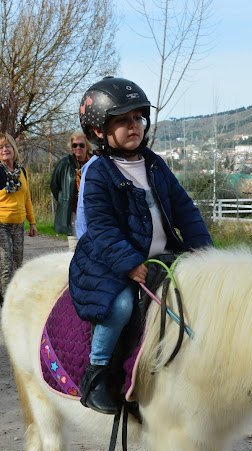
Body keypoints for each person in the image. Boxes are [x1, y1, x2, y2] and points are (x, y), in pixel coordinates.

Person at [69, 76, 212, 414]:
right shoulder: (100, 171)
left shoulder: (154, 164)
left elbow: (184, 209)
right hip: (111, 262)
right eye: (122, 120)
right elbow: (101, 228)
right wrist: (129, 263)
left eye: (137, 118)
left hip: (163, 259)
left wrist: (204, 249)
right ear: (99, 131)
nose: (133, 126)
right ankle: (98, 371)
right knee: (118, 307)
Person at [0, 132, 36, 306]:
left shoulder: (21, 171)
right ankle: (9, 303)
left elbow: (27, 198)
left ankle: (11, 293)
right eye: (1, 147)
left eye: (7, 146)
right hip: (1, 225)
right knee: (6, 265)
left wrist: (33, 222)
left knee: (17, 263)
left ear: (13, 149)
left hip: (18, 224)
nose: (5, 149)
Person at [50, 131, 91, 249]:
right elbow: (54, 186)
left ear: (87, 146)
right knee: (74, 247)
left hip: (92, 210)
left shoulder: (95, 162)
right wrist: (65, 200)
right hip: (73, 211)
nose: (78, 148)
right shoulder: (64, 164)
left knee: (92, 244)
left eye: (81, 145)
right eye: (75, 145)